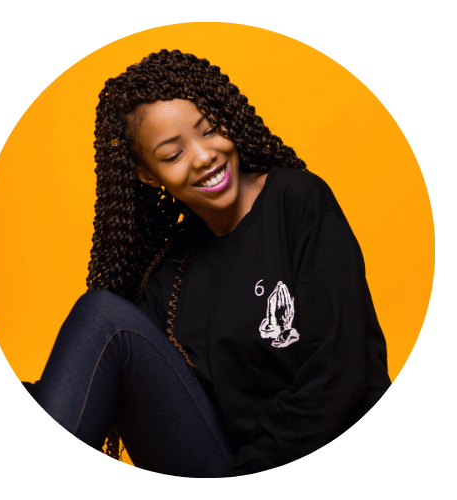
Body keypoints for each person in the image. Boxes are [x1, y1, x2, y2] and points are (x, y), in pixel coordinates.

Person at [22, 49, 391, 478]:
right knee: (104, 316)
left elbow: (338, 374)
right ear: (147, 175)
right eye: (172, 155)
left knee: (103, 315)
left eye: (210, 130)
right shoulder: (170, 271)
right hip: (223, 463)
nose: (202, 157)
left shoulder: (297, 203)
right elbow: (113, 385)